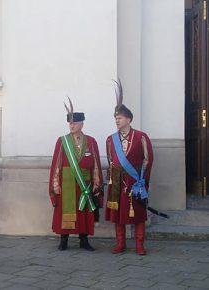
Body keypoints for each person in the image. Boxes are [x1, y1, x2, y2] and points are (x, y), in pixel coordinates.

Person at [106, 79, 154, 255]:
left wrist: (143, 182)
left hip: (135, 183)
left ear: (129, 119)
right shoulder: (110, 139)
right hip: (117, 183)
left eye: (119, 118)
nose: (116, 121)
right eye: (115, 118)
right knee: (118, 215)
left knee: (138, 214)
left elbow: (148, 160)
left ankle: (140, 245)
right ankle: (121, 244)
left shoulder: (141, 137)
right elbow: (111, 161)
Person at [48, 98, 103, 251]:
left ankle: (84, 240)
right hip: (66, 183)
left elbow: (96, 165)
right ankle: (63, 240)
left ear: (82, 124)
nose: (71, 126)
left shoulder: (91, 141)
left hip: (85, 183)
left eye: (75, 123)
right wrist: (56, 184)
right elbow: (56, 164)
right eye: (70, 123)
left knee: (84, 211)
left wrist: (96, 183)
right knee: (65, 211)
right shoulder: (62, 141)